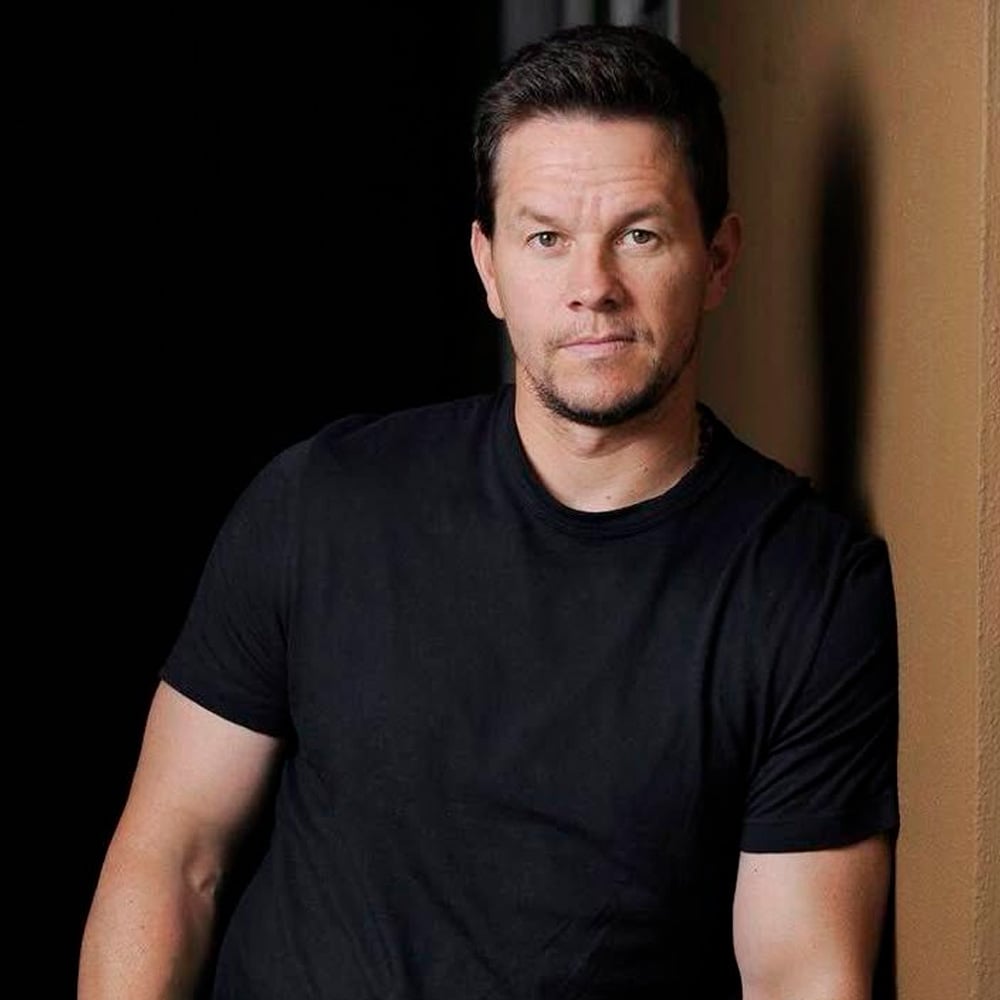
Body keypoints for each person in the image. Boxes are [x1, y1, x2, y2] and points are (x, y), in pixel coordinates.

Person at [79, 22, 899, 1000]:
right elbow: (174, 854)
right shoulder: (322, 502)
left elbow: (800, 971)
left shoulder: (807, 586)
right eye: (545, 237)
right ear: (487, 267)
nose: (591, 289)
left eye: (639, 234)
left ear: (717, 259)